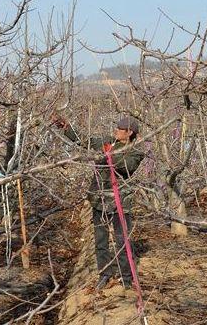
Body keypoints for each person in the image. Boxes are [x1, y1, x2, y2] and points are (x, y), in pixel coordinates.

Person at [52, 114, 145, 290]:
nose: (116, 130)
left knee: (122, 239)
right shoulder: (108, 142)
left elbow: (127, 167)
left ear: (130, 133)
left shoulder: (136, 151)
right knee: (101, 240)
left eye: (120, 129)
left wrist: (109, 153)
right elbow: (86, 141)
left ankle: (126, 277)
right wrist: (66, 128)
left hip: (121, 201)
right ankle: (104, 274)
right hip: (99, 198)